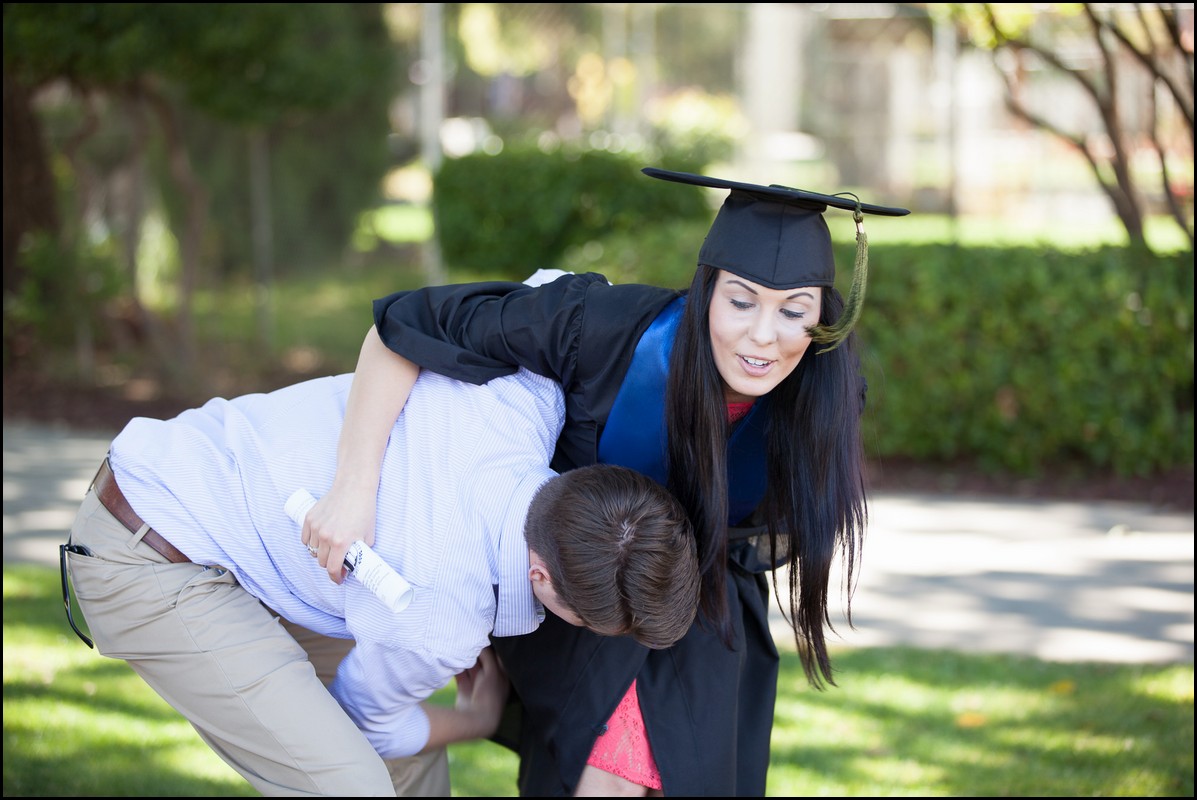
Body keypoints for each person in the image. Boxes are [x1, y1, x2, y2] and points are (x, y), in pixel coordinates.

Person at [305, 166, 910, 796]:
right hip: (581, 583)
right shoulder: (600, 328)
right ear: (707, 289)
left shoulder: (824, 399)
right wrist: (354, 485)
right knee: (605, 776)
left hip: (707, 599)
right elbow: (406, 325)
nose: (763, 335)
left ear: (823, 315)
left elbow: (762, 536)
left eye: (794, 310)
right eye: (740, 301)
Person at [59, 364, 700, 796]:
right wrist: (475, 721)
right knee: (353, 785)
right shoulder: (444, 616)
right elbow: (369, 724)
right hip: (149, 550)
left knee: (408, 760)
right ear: (540, 575)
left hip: (248, 533)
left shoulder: (524, 396)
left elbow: (552, 288)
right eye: (593, 620)